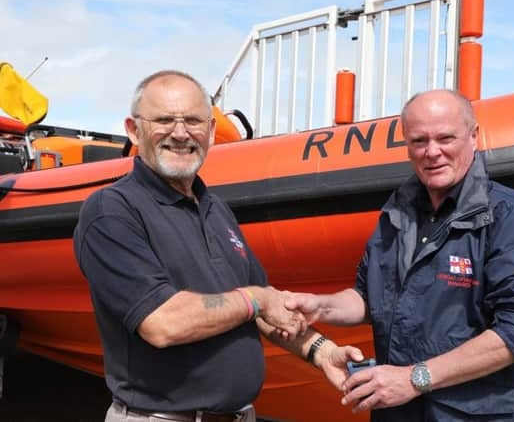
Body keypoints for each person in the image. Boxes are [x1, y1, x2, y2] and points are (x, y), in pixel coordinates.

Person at [73, 70, 362, 422]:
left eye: (193, 121)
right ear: (134, 130)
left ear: (210, 132)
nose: (180, 133)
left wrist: (321, 350)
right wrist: (256, 299)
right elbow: (163, 322)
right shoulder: (112, 211)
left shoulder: (215, 208)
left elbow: (265, 312)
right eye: (164, 120)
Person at [286, 90, 514, 421]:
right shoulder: (397, 214)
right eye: (419, 141)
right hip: (401, 411)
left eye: (445, 138)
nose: (433, 152)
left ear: (473, 137)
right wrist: (322, 306)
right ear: (407, 145)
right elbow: (369, 297)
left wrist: (414, 379)